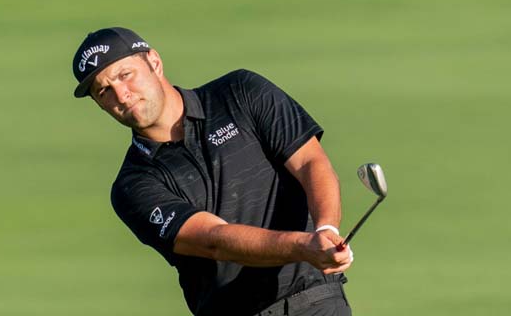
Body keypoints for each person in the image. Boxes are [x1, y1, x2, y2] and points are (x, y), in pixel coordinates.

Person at [71, 27, 354, 316]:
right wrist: (304, 246)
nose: (122, 94)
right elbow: (214, 240)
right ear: (98, 103)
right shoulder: (132, 185)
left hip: (315, 301)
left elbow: (310, 162)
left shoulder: (240, 93)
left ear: (154, 62)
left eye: (125, 75)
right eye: (104, 90)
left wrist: (326, 229)